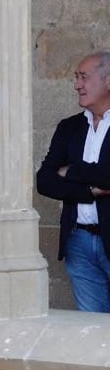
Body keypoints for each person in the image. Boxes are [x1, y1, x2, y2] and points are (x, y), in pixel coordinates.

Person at [36, 51, 110, 312]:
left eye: (83, 77)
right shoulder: (69, 127)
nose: (77, 84)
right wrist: (90, 190)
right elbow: (44, 180)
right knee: (91, 326)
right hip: (78, 241)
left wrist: (71, 170)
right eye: (76, 78)